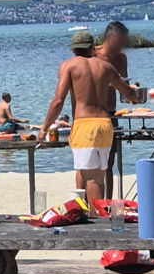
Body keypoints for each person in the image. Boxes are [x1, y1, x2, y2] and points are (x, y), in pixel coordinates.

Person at [36, 28, 122, 200]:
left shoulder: (69, 66)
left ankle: (95, 215)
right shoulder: (106, 67)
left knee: (92, 178)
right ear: (92, 47)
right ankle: (92, 210)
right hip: (105, 124)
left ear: (73, 49)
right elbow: (129, 93)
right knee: (98, 176)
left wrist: (44, 128)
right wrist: (136, 95)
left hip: (85, 124)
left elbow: (58, 101)